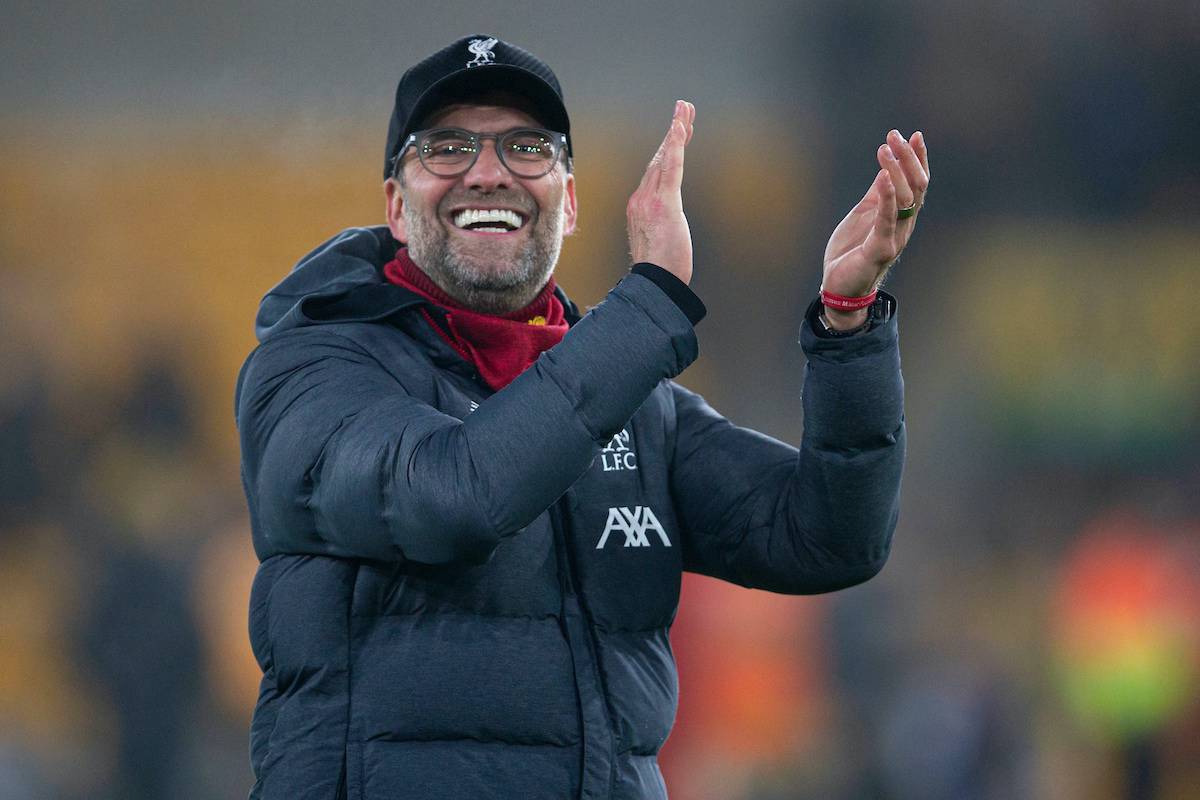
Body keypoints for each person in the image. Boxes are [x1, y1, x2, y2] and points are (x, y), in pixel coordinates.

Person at [236, 34, 926, 800]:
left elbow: (831, 537)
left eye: (528, 147)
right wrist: (648, 306)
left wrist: (848, 324)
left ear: (568, 205)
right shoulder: (311, 373)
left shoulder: (626, 394)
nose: (490, 172)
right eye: (447, 147)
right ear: (396, 207)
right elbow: (455, 497)